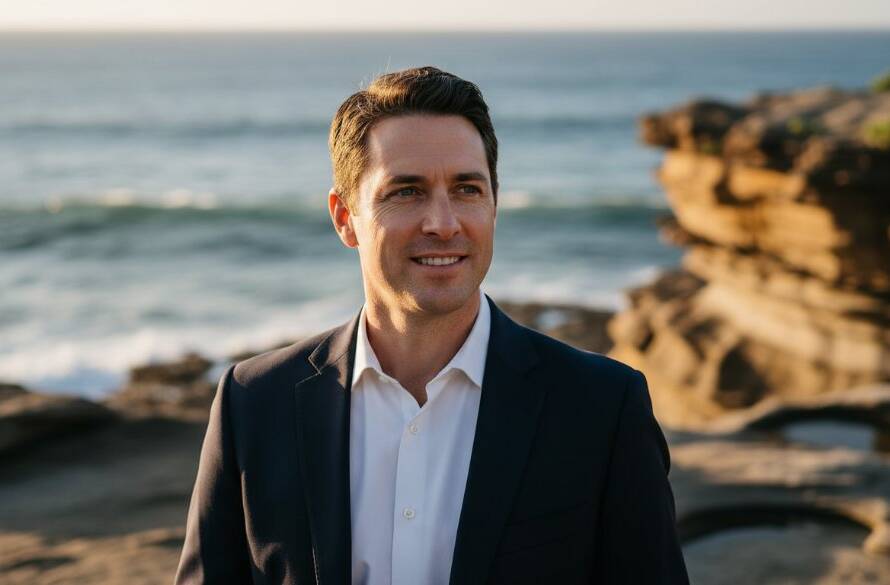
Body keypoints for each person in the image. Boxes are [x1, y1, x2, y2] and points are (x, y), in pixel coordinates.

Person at [174, 66, 689, 585]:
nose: (443, 223)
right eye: (406, 191)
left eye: (467, 189)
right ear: (344, 217)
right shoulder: (254, 401)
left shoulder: (601, 406)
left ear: (493, 204)